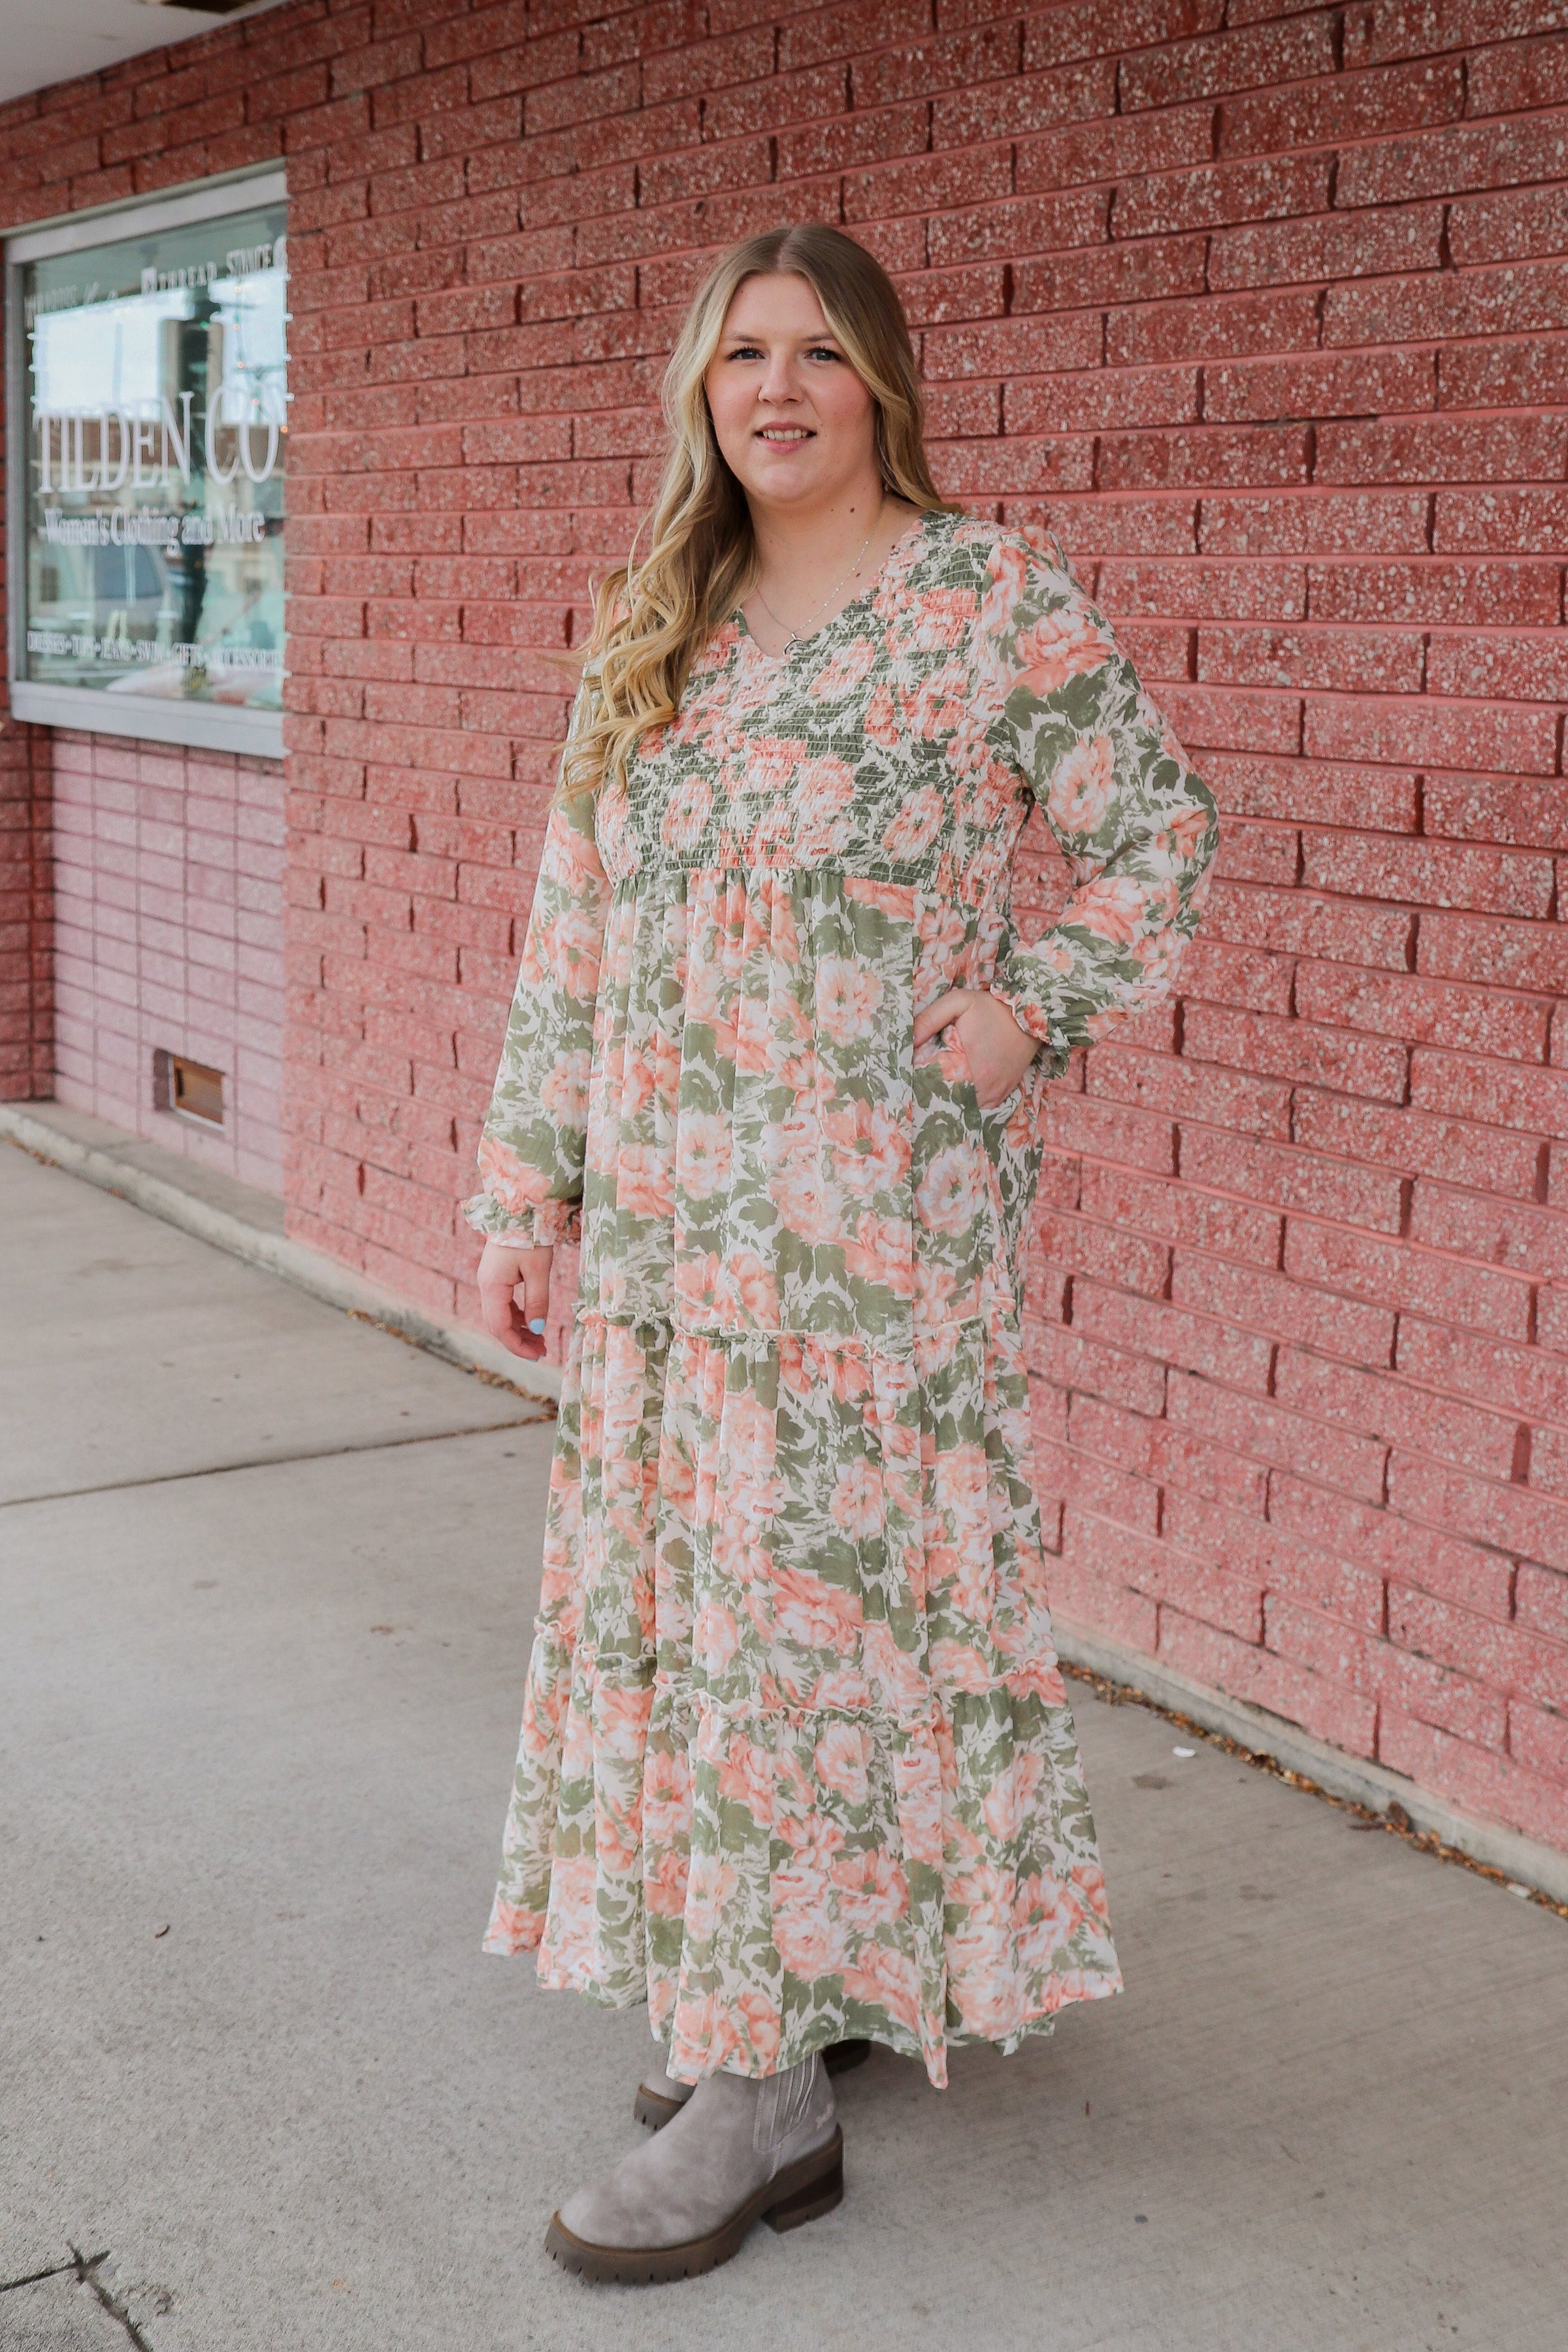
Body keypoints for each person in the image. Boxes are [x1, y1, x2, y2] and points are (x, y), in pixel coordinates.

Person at [466, 221, 1217, 2287]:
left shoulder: (989, 605)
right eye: (738, 357)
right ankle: (779, 1994)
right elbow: (575, 925)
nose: (774, 389)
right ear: (700, 393)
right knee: (715, 1621)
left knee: (822, 1622)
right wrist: (533, 1185)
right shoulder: (665, 614)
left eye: (815, 354)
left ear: (883, 380)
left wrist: (1033, 999)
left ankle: (763, 2083)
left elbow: (1162, 833)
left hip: (878, 1245)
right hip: (672, 1240)